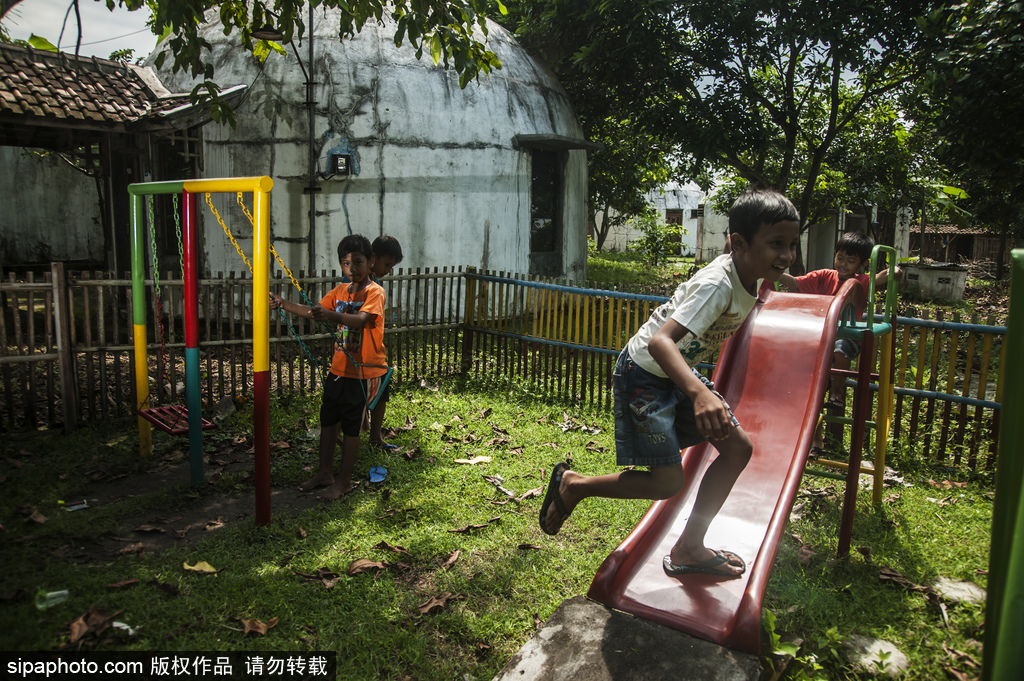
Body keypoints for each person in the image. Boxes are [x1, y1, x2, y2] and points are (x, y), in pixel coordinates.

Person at [539, 188, 801, 578]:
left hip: (676, 373)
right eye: (776, 244)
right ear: (739, 244)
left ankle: (690, 545)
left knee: (736, 449)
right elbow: (662, 342)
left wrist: (792, 280)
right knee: (667, 482)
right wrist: (698, 392)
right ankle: (575, 485)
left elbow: (773, 273)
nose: (786, 255)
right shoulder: (717, 286)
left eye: (792, 245)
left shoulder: (752, 273)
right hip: (645, 373)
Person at [270, 234, 389, 500]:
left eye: (358, 262)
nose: (352, 269)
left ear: (370, 262)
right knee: (327, 421)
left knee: (351, 427)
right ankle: (325, 472)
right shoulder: (339, 291)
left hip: (362, 372)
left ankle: (344, 481)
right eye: (346, 263)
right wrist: (284, 304)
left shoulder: (375, 292)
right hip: (338, 370)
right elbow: (314, 311)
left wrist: (332, 315)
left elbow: (360, 320)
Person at [774, 232, 902, 456]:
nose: (843, 264)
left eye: (851, 260)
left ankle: (837, 391)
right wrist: (775, 274)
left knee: (842, 349)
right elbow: (796, 282)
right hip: (822, 337)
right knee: (811, 395)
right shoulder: (824, 276)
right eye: (840, 257)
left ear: (862, 264)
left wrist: (895, 272)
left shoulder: (862, 281)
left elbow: (884, 276)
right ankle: (816, 442)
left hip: (847, 335)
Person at [365, 235, 404, 450]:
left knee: (382, 391)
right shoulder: (360, 282)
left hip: (375, 349)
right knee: (354, 397)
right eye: (386, 264)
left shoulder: (376, 282)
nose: (388, 269)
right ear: (373, 258)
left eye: (391, 266)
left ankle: (375, 437)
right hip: (359, 351)